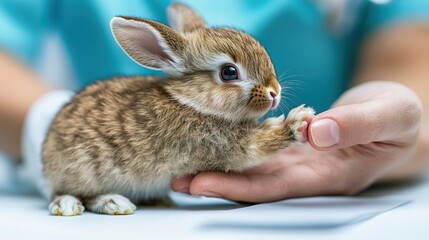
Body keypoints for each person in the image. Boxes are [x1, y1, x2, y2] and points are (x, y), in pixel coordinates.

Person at [0, 0, 427, 202]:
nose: (273, 92)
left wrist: (393, 120)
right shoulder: (186, 118)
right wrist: (44, 127)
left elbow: (412, 46)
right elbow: (239, 149)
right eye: (229, 75)